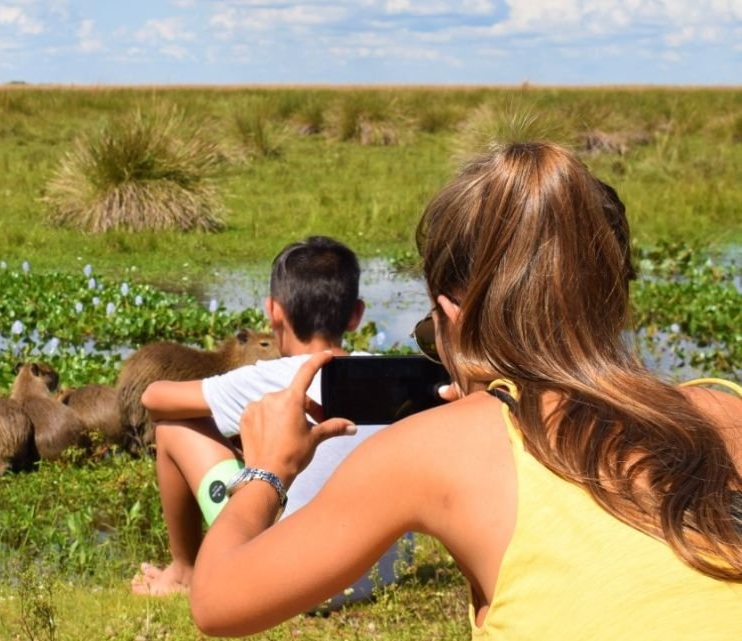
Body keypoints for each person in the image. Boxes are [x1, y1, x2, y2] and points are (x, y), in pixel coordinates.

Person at [188, 141, 742, 639]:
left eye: (432, 335)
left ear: (453, 315)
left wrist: (266, 472)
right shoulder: (726, 413)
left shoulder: (429, 450)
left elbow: (218, 602)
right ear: (614, 297)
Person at [131, 235, 379, 596]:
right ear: (356, 314)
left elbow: (153, 397)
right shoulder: (387, 377)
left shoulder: (266, 378)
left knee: (173, 426)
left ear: (273, 311)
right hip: (374, 578)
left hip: (280, 584)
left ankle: (184, 570)